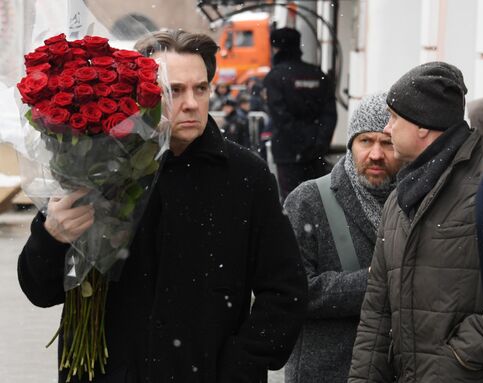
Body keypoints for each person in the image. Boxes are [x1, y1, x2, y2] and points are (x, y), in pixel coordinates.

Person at [18, 30, 308, 383]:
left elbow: (285, 292)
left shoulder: (246, 175)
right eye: (174, 90)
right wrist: (51, 237)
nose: (191, 103)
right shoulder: (99, 167)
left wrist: (239, 365)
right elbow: (40, 290)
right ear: (144, 92)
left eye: (200, 88)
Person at [348, 62, 483, 382]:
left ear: (423, 126)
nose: (387, 129)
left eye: (394, 118)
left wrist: (458, 358)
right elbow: (377, 315)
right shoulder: (398, 201)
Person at [283, 93, 403, 383]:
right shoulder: (308, 199)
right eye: (366, 141)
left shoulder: (412, 201)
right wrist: (374, 281)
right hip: (326, 372)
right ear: (351, 145)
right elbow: (293, 292)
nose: (376, 154)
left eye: (386, 142)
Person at [263, 27, 337, 200]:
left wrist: (300, 146)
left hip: (288, 154)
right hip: (316, 154)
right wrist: (318, 144)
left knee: (292, 203)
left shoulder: (275, 77)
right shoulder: (318, 75)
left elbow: (281, 118)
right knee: (318, 202)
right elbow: (329, 115)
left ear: (276, 48)